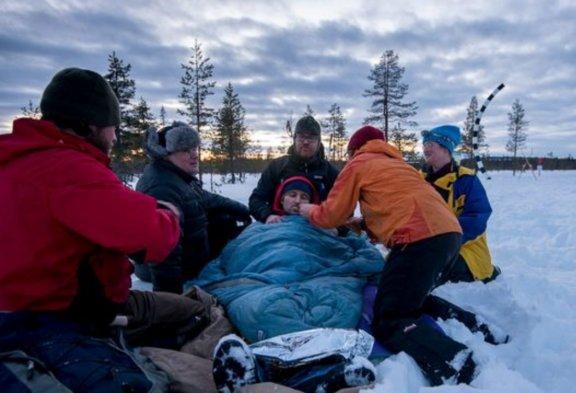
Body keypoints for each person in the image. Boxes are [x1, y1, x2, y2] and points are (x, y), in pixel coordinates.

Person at [0, 68, 181, 392]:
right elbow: (151, 237)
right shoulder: (68, 169)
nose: (114, 138)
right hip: (47, 324)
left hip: (48, 312)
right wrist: (169, 216)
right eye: (113, 128)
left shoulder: (19, 160)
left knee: (183, 311)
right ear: (90, 124)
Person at [299, 125, 481, 386]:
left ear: (354, 150)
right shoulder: (398, 166)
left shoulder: (358, 163)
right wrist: (361, 224)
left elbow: (331, 214)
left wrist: (309, 211)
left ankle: (456, 361)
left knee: (388, 319)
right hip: (449, 235)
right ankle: (477, 326)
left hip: (418, 239)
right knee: (408, 298)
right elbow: (395, 205)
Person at [134, 122, 252, 293]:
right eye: (185, 150)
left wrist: (244, 210)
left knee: (226, 219)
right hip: (171, 271)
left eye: (194, 148)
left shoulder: (180, 177)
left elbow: (207, 199)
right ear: (165, 154)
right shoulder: (162, 188)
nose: (194, 155)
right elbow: (164, 253)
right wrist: (174, 303)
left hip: (191, 255)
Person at [420, 125, 500, 282]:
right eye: (424, 145)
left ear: (445, 148)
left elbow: (477, 218)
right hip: (423, 245)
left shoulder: (466, 180)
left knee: (432, 271)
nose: (425, 149)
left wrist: (443, 240)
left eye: (430, 144)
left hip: (465, 248)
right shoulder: (418, 179)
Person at [249, 115, 338, 224]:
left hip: (316, 231)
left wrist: (335, 228)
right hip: (277, 229)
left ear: (319, 143)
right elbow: (256, 200)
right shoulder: (277, 166)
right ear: (294, 139)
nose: (306, 142)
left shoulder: (330, 172)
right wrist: (268, 216)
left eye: (311, 137)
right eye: (301, 137)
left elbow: (344, 208)